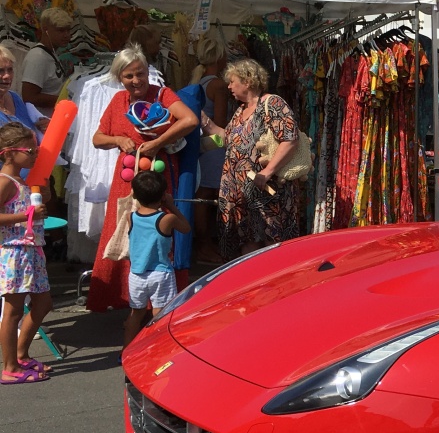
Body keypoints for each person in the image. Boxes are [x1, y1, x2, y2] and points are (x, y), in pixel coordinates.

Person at [87, 45, 198, 312]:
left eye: (140, 74)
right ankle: (128, 298)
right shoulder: (117, 102)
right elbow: (97, 139)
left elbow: (190, 120)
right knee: (125, 232)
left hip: (158, 178)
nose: (136, 81)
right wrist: (117, 139)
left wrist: (158, 142)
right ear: (120, 78)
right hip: (126, 180)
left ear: (148, 72)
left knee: (157, 234)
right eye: (129, 76)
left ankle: (159, 301)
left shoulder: (163, 95)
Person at [205, 59, 302, 258]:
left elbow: (290, 139)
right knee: (248, 244)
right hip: (242, 196)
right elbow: (228, 139)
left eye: (233, 81)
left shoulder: (272, 103)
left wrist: (266, 172)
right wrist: (203, 121)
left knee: (272, 244)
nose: (229, 86)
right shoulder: (241, 110)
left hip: (266, 191)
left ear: (247, 81)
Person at [0, 123, 51, 383]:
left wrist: (45, 183)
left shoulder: (24, 180)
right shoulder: (5, 182)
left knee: (44, 303)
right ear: (9, 153)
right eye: (30, 151)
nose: (35, 155)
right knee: (13, 310)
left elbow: (45, 202)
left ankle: (21, 354)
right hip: (14, 252)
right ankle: (10, 367)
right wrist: (25, 215)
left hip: (32, 251)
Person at [122, 170, 190, 347]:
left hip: (137, 274)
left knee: (135, 314)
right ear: (163, 195)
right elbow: (186, 228)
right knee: (160, 314)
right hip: (161, 274)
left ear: (135, 195)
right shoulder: (167, 219)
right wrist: (172, 205)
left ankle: (126, 350)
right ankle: (157, 348)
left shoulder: (131, 217)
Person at [191, 34, 228, 263]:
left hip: (200, 146)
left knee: (202, 194)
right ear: (220, 57)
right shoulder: (218, 85)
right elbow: (220, 124)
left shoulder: (198, 82)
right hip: (214, 145)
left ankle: (203, 244)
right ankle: (205, 245)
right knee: (207, 195)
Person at [19, 6, 73, 112]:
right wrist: (66, 100)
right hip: (41, 123)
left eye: (68, 30)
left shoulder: (50, 53)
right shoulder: (38, 57)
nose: (67, 35)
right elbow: (29, 97)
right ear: (45, 30)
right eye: (61, 30)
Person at [0, 44, 50, 138]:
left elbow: (27, 130)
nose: (7, 76)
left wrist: (41, 126)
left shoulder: (15, 98)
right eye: (0, 71)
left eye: (10, 70)